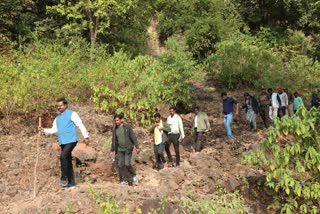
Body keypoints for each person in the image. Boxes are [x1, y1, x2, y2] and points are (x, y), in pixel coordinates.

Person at [38, 98, 89, 188]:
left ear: (65, 105)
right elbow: (54, 130)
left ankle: (64, 178)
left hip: (71, 140)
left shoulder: (72, 114)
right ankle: (71, 183)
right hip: (62, 142)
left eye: (60, 106)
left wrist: (86, 136)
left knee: (63, 156)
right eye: (57, 106)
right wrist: (43, 130)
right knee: (67, 161)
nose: (59, 107)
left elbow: (80, 125)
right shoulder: (57, 118)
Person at [111, 113, 140, 186]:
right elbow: (114, 140)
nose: (116, 122)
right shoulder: (115, 129)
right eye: (115, 120)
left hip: (128, 149)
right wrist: (112, 150)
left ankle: (134, 176)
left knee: (127, 163)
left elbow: (133, 137)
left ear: (121, 120)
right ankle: (124, 181)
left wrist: (137, 147)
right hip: (120, 150)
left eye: (117, 120)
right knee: (120, 165)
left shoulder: (127, 127)